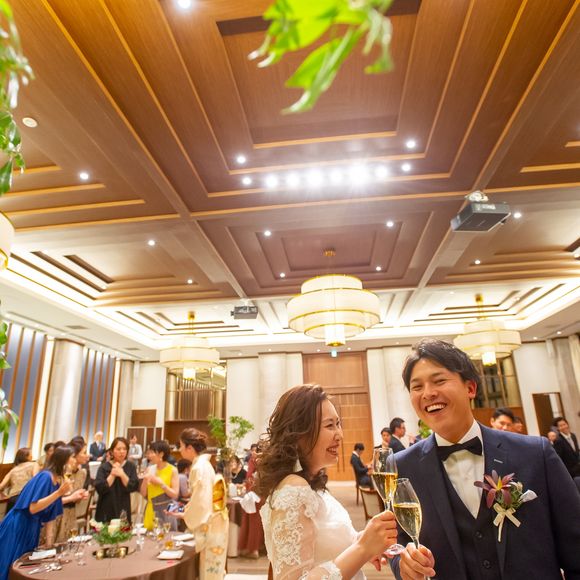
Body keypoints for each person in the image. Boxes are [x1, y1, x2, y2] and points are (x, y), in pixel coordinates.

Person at [390, 338, 580, 580]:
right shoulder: (402, 466)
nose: (428, 393)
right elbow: (399, 543)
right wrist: (403, 564)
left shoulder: (535, 454)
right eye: (417, 387)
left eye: (439, 381)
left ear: (470, 388)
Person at [257, 384, 398, 578]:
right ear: (298, 434)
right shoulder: (293, 489)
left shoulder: (311, 486)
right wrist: (362, 548)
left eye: (338, 424)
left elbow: (325, 544)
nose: (340, 435)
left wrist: (366, 540)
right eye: (329, 425)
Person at [0, 446, 74, 580]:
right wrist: (59, 493)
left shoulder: (56, 482)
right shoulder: (45, 477)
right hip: (19, 525)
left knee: (23, 570)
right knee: (9, 568)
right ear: (64, 461)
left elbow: (50, 517)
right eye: (72, 457)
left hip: (32, 529)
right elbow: (33, 508)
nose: (74, 461)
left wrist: (49, 545)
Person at [165, 428, 228, 579]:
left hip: (210, 523)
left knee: (209, 570)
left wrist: (185, 514)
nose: (179, 449)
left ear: (190, 448)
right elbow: (199, 499)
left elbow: (201, 503)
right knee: (211, 568)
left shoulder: (199, 467)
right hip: (214, 519)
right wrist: (185, 511)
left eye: (181, 446)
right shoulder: (203, 465)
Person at [94, 437, 139, 523]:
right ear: (111, 451)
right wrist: (112, 474)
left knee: (123, 529)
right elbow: (100, 488)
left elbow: (133, 486)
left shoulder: (131, 466)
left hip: (123, 507)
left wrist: (122, 474)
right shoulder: (104, 467)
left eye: (124, 449)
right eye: (118, 449)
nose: (122, 452)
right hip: (106, 508)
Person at [55, 439, 90, 542]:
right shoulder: (58, 473)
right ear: (74, 455)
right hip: (55, 516)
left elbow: (75, 499)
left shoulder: (82, 473)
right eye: (84, 453)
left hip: (71, 516)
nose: (87, 456)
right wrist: (71, 497)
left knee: (70, 545)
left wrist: (80, 496)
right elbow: (50, 500)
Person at [140, 440, 179, 530]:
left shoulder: (172, 470)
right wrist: (145, 480)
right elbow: (143, 493)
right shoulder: (149, 469)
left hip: (166, 510)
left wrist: (161, 483)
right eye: (149, 453)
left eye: (152, 452)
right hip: (150, 508)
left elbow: (175, 495)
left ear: (161, 454)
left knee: (167, 535)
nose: (149, 455)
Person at [0, 447, 39, 513]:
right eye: (31, 454)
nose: (32, 456)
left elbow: (1, 485)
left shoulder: (13, 470)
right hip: (26, 497)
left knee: (10, 519)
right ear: (26, 456)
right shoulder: (34, 464)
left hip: (13, 499)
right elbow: (36, 481)